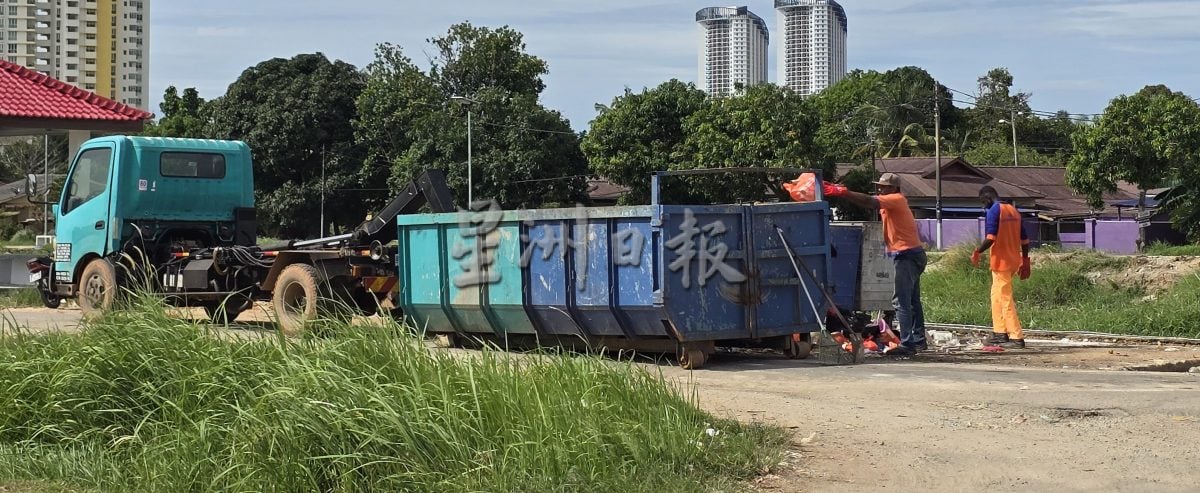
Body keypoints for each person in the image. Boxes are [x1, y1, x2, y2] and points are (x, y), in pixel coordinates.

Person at [823, 173, 927, 353]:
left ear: (894, 188)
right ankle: (918, 340)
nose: (880, 189)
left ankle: (908, 344)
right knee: (911, 301)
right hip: (911, 253)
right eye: (879, 186)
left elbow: (870, 202)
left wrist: (843, 192)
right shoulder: (893, 201)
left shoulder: (895, 199)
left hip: (907, 254)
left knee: (901, 301)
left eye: (884, 186)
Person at [971, 186, 1031, 349]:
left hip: (1001, 261)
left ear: (988, 198)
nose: (983, 207)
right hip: (1012, 260)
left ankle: (1016, 336)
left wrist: (978, 251)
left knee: (1004, 298)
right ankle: (999, 332)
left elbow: (991, 237)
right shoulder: (1013, 210)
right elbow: (1025, 240)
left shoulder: (994, 211)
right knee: (996, 295)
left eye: (983, 202)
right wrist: (1025, 260)